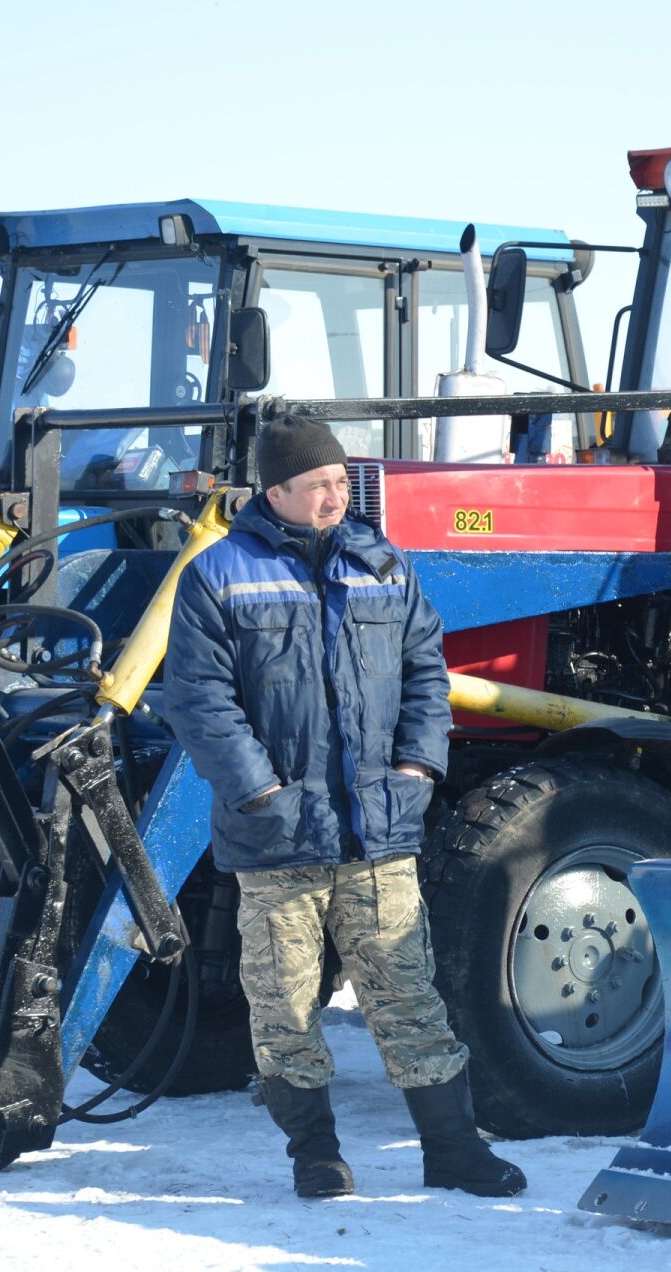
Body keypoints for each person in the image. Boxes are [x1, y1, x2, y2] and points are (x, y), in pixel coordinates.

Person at [162, 415, 526, 1201]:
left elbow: (428, 670)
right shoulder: (219, 574)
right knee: (286, 1008)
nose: (335, 496)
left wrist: (418, 764)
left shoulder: (384, 566)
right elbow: (198, 699)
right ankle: (316, 1155)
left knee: (407, 996)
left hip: (377, 833)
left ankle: (454, 1150)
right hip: (277, 838)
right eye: (317, 485)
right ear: (275, 493)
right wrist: (259, 790)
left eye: (339, 482)